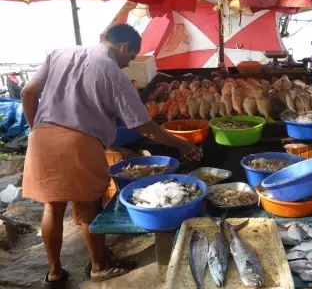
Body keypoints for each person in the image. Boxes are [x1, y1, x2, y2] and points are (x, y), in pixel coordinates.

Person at [20, 24, 203, 287]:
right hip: (80, 141)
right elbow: (145, 127)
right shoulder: (114, 74)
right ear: (124, 47)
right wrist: (181, 145)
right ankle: (99, 266)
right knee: (88, 205)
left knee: (52, 206)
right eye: (130, 57)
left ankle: (54, 273)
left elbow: (28, 92)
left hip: (41, 137)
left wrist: (35, 127)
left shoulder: (60, 52)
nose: (128, 64)